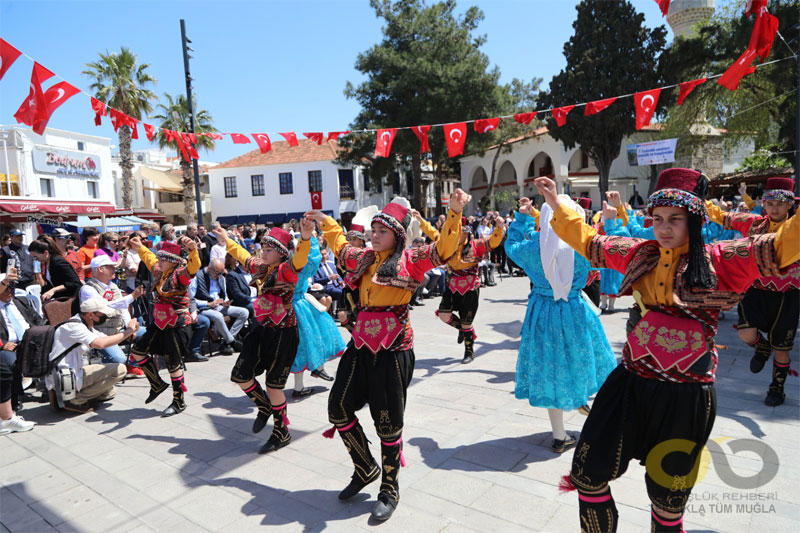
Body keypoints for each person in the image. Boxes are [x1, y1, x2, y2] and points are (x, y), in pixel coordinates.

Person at [534, 170, 800, 533]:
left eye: (675, 219)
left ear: (693, 220)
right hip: (630, 383)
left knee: (668, 500)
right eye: (657, 219)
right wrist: (556, 205)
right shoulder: (640, 255)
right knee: (589, 473)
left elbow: (783, 245)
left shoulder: (722, 260)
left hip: (685, 396)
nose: (664, 227)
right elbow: (590, 242)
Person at [305, 190, 467, 521]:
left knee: (388, 423)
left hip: (394, 348)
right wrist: (328, 223)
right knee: (338, 407)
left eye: (381, 231)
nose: (374, 236)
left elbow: (446, 250)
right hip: (361, 344)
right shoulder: (363, 257)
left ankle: (389, 487)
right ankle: (365, 466)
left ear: (397, 234)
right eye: (373, 231)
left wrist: (454, 212)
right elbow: (341, 245)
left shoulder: (412, 259)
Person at [505, 196, 616, 453]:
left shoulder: (534, 247)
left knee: (550, 370)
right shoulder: (583, 248)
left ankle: (559, 435)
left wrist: (522, 217)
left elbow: (511, 246)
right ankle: (587, 409)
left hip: (542, 312)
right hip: (575, 310)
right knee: (585, 360)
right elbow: (608, 250)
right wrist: (609, 223)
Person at [215, 220, 313, 454]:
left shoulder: (287, 269)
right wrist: (225, 240)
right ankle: (264, 406)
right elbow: (241, 253)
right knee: (241, 375)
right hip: (262, 329)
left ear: (280, 253)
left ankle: (281, 432)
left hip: (284, 332)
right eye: (263, 249)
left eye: (269, 250)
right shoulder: (260, 266)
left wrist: (306, 239)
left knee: (274, 385)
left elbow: (300, 258)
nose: (264, 252)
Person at [705, 177, 799, 406]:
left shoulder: (795, 225)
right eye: (769, 203)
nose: (774, 207)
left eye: (779, 203)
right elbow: (721, 216)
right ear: (764, 204)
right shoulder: (754, 222)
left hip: (788, 293)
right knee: (746, 333)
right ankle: (761, 346)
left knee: (781, 346)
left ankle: (777, 388)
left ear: (790, 205)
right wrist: (701, 197)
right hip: (756, 288)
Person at [127, 236, 200, 417]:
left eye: (162, 258)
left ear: (171, 261)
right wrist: (139, 247)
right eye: (159, 258)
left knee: (173, 364)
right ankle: (157, 383)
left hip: (176, 325)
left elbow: (194, 267)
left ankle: (178, 401)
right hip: (159, 323)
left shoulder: (181, 274)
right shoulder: (160, 271)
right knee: (138, 351)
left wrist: (193, 250)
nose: (158, 261)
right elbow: (149, 258)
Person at [418, 210, 504, 364]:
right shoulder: (447, 245)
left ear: (467, 233)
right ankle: (463, 331)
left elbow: (493, 242)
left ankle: (469, 352)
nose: (457, 235)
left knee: (466, 322)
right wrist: (420, 220)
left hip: (470, 288)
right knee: (444, 315)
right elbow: (433, 233)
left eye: (461, 233)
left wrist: (499, 228)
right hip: (452, 286)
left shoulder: (476, 245)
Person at [47, 298, 140, 413]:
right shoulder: (74, 327)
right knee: (120, 370)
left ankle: (65, 395)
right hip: (65, 375)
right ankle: (75, 400)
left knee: (110, 392)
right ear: (91, 314)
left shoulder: (84, 324)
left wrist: (129, 334)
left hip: (73, 371)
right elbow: (100, 344)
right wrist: (128, 332)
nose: (105, 316)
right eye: (102, 314)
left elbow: (105, 339)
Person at [289, 234, 345, 398]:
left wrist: (309, 239)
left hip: (298, 304)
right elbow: (314, 257)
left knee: (311, 338)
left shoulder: (287, 266)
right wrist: (310, 238)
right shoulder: (297, 267)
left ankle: (316, 370)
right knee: (304, 343)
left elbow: (314, 258)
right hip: (295, 306)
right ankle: (311, 375)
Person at [79, 255, 147, 378]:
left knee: (152, 334)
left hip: (118, 327)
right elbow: (105, 306)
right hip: (100, 333)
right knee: (119, 359)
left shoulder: (112, 286)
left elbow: (123, 308)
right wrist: (131, 296)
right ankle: (103, 366)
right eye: (110, 267)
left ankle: (132, 360)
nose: (114, 270)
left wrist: (129, 327)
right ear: (100, 269)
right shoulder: (88, 289)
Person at [0, 269, 45, 413]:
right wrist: (3, 344)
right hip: (10, 345)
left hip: (31, 340)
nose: (9, 291)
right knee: (12, 362)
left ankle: (50, 389)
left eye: (11, 287)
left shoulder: (20, 301)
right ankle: (16, 396)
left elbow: (37, 319)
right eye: (5, 288)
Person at [193, 258, 249, 355]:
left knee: (244, 312)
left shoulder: (221, 278)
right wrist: (208, 303)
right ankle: (232, 342)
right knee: (217, 315)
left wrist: (226, 301)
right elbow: (191, 300)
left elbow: (224, 295)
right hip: (204, 307)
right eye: (217, 273)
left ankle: (227, 342)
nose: (219, 275)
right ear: (209, 268)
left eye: (221, 272)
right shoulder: (198, 277)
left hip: (218, 305)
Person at [29, 237, 82, 303]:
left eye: (36, 257)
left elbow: (74, 282)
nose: (35, 259)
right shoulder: (47, 262)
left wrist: (53, 290)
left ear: (45, 253)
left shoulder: (58, 262)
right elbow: (51, 282)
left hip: (73, 299)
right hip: (62, 299)